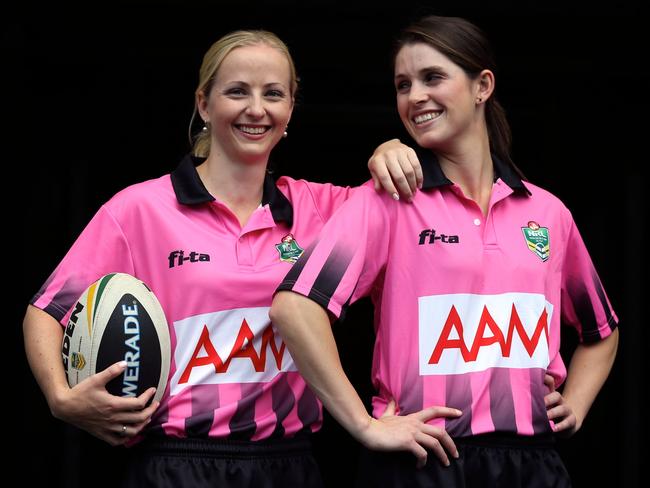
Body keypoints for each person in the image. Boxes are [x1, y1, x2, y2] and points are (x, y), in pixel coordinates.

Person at [22, 29, 425, 488]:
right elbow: (47, 311)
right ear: (203, 104)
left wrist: (388, 151)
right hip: (176, 464)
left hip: (290, 465)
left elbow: (388, 204)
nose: (257, 109)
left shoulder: (322, 209)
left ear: (290, 108)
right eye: (237, 91)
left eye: (273, 94)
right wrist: (59, 397)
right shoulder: (139, 209)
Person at [270, 15, 619, 487]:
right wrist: (363, 425)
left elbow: (601, 330)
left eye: (433, 78)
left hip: (532, 463)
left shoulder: (549, 212)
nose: (415, 97)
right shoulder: (387, 200)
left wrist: (575, 403)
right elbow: (295, 307)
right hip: (422, 463)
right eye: (402, 84)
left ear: (483, 86)